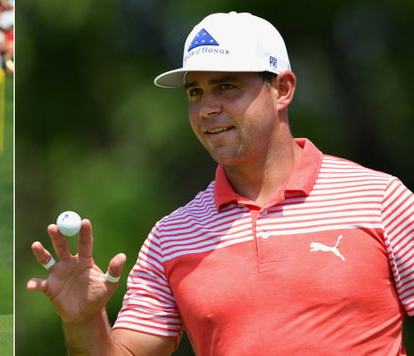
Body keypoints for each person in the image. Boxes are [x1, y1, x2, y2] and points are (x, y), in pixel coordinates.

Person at [27, 12, 414, 356]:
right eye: (195, 92)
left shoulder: (381, 200)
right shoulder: (171, 236)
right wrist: (83, 322)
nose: (206, 108)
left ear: (282, 90)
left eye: (226, 86)